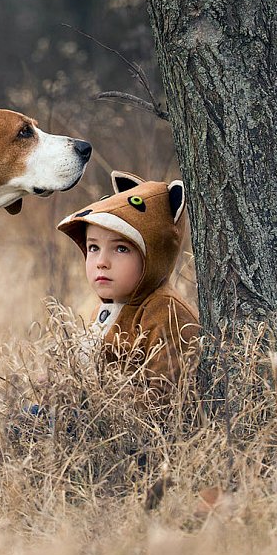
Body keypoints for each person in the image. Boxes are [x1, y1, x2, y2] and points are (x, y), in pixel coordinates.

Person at [55, 170, 200, 401]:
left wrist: (95, 402)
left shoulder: (166, 314)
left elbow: (167, 400)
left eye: (121, 248)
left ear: (154, 255)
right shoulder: (104, 311)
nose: (101, 262)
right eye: (93, 247)